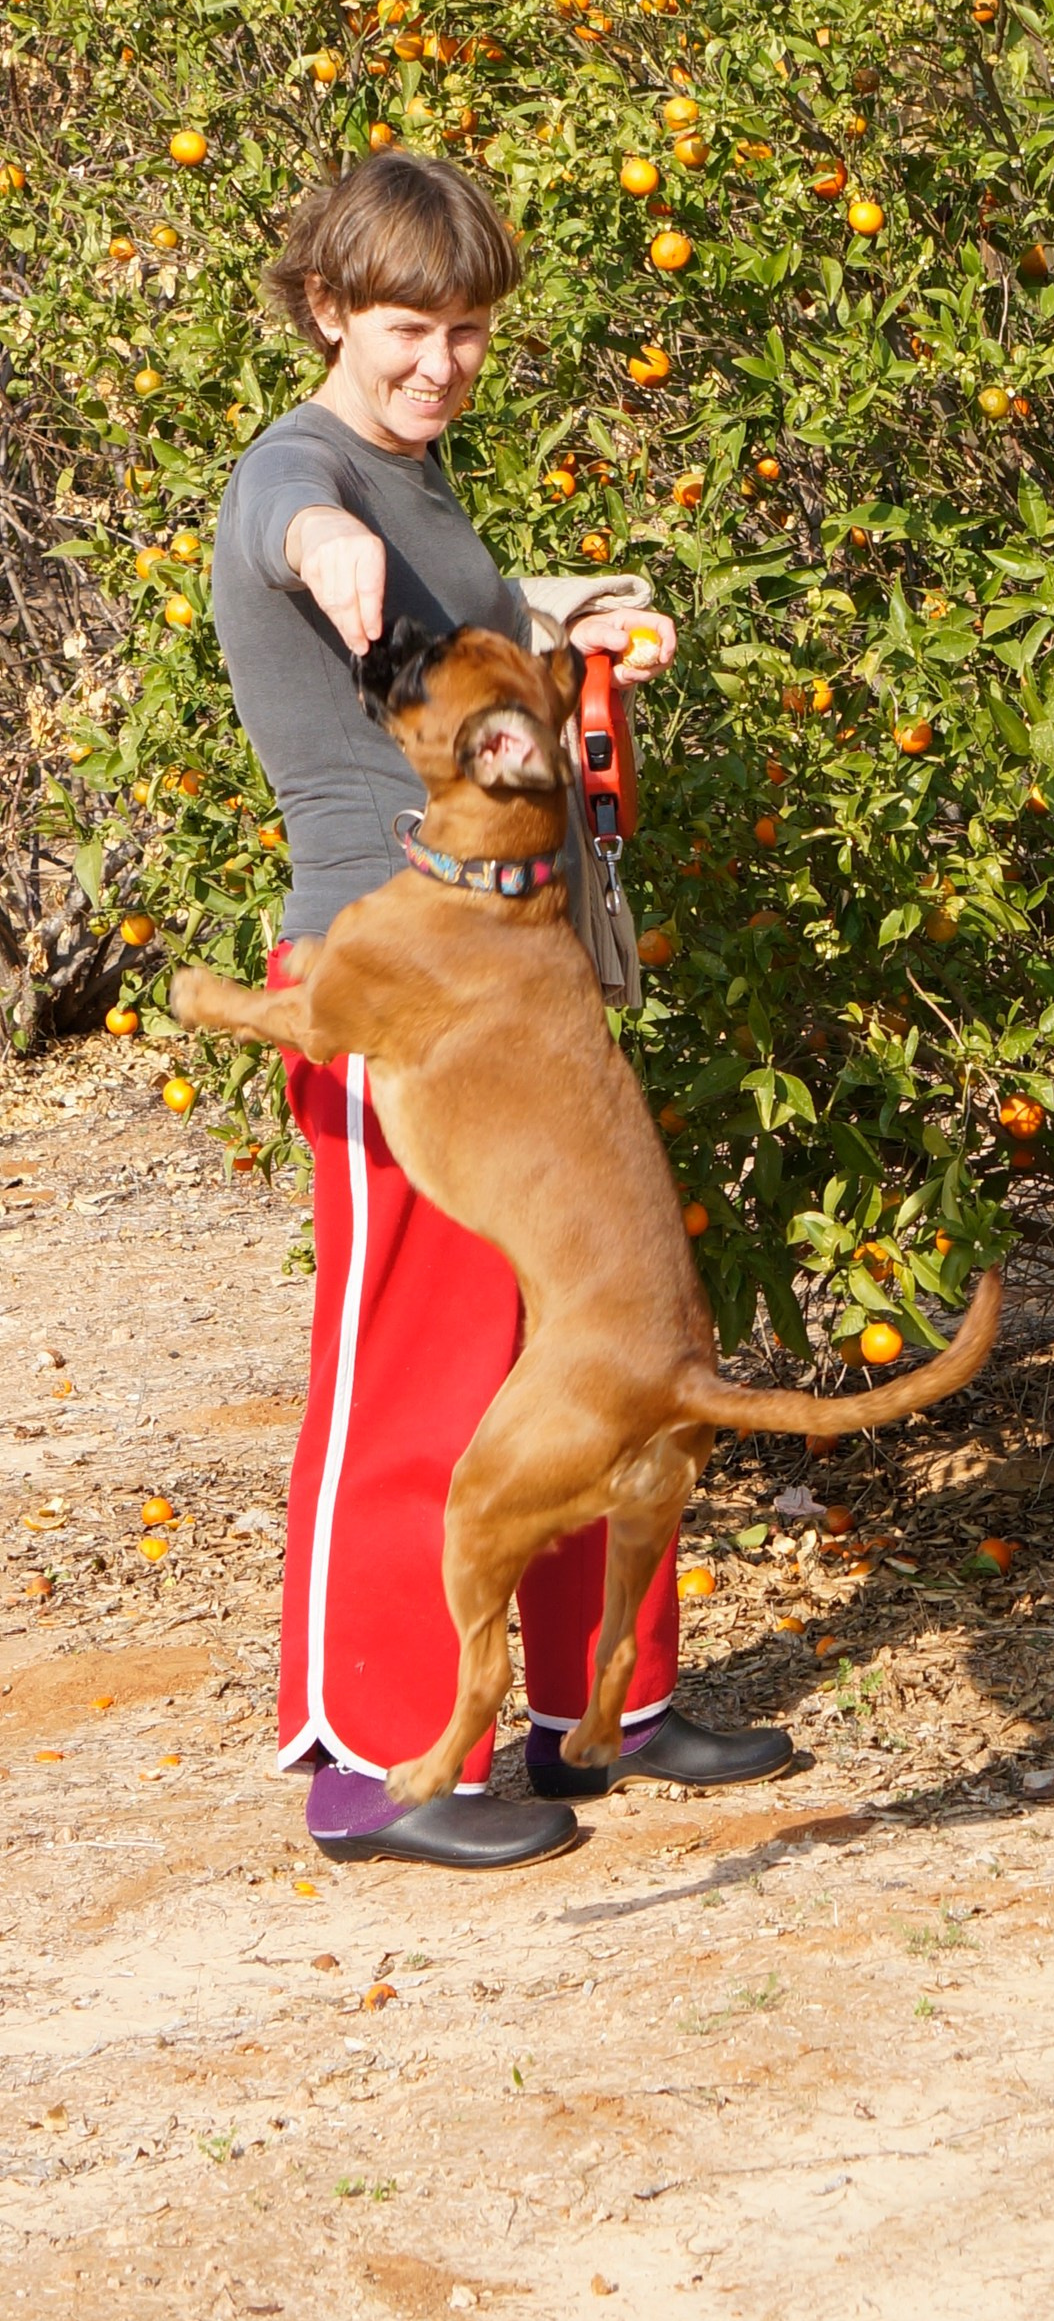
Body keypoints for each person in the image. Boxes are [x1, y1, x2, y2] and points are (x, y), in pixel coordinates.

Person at [209, 154, 793, 1869]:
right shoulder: (308, 469)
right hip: (385, 985)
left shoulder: (414, 471)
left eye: (466, 331)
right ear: (328, 307)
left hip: (512, 972)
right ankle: (370, 1760)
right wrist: (330, 552)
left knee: (591, 1336)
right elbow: (298, 526)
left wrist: (557, 619)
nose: (441, 362)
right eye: (409, 327)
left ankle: (598, 1708)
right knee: (414, 1364)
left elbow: (443, 632)